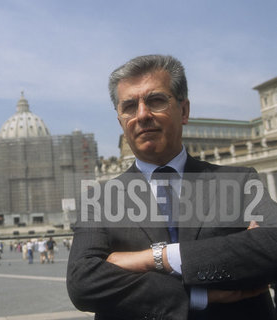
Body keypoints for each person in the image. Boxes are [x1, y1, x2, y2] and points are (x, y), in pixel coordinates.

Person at [67, 55, 277, 320]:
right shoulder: (98, 199)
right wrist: (196, 295)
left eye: (156, 100)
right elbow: (82, 282)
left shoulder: (240, 180)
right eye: (130, 106)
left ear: (184, 110)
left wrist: (158, 257)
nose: (142, 115)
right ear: (121, 122)